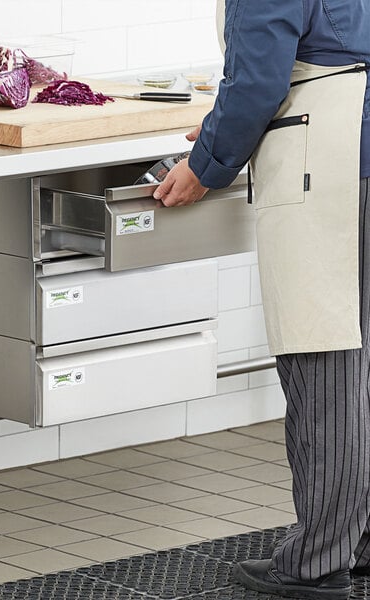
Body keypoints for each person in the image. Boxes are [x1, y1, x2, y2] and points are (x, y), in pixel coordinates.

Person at [154, 2, 370, 600]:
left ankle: (321, 560)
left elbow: (258, 78)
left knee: (323, 356)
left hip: (330, 154)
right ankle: (361, 537)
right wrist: (227, 122)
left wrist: (209, 162)